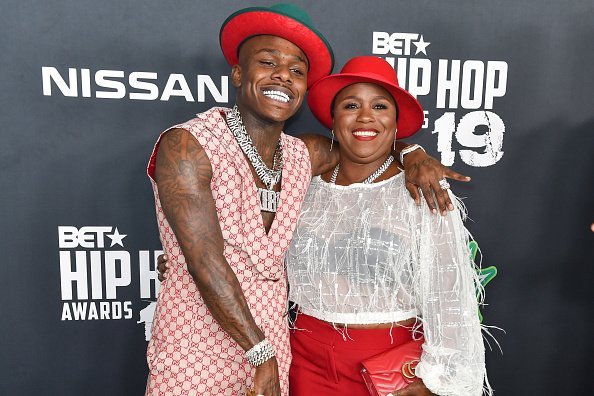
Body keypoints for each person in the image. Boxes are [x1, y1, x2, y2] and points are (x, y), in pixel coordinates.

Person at [148, 4, 468, 396]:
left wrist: (413, 153)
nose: (282, 75)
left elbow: (365, 140)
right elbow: (205, 261)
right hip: (198, 345)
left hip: (277, 348)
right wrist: (184, 260)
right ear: (237, 73)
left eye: (297, 71)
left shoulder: (303, 154)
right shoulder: (187, 144)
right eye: (267, 62)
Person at [286, 56, 489, 395]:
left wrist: (435, 380)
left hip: (389, 368)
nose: (365, 116)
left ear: (395, 123)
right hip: (305, 361)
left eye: (380, 106)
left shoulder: (423, 189)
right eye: (351, 105)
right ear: (333, 122)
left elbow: (451, 296)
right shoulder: (303, 185)